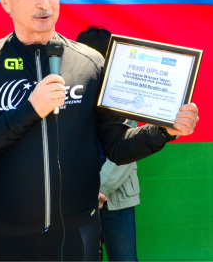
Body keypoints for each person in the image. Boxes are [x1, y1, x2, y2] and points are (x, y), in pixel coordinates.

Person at [0, 0, 198, 261]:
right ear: (5, 0)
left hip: (78, 232)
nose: (44, 3)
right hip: (4, 234)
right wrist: (28, 111)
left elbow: (116, 145)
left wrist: (162, 131)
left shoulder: (90, 62)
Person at [76, 25, 140, 262]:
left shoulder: (125, 96)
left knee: (124, 258)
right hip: (78, 197)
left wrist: (99, 189)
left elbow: (129, 148)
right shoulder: (69, 95)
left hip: (117, 195)